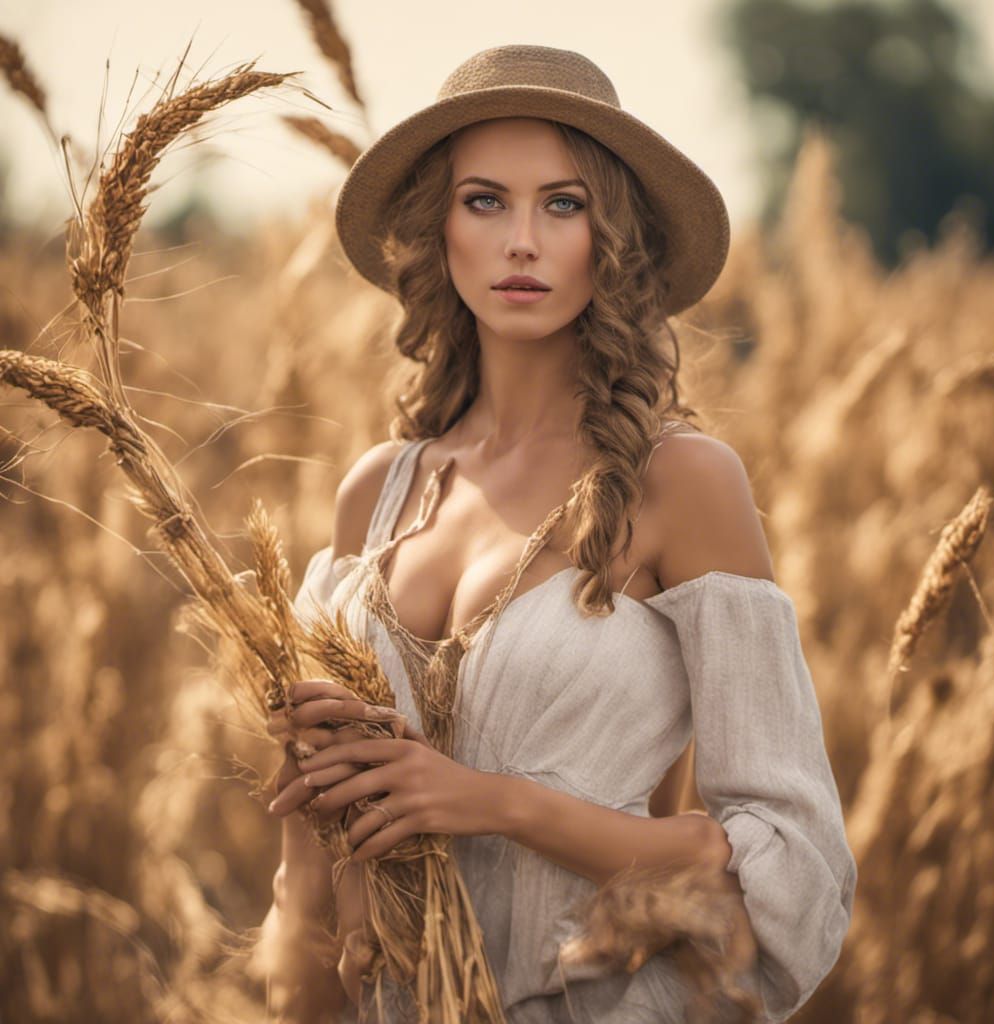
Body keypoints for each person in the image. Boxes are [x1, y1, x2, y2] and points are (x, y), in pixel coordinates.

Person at [255, 43, 857, 1024]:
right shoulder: (377, 494)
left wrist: (489, 799)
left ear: (610, 236)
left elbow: (790, 857)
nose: (521, 241)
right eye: (485, 201)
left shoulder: (678, 482)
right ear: (438, 228)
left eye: (563, 204)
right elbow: (310, 880)